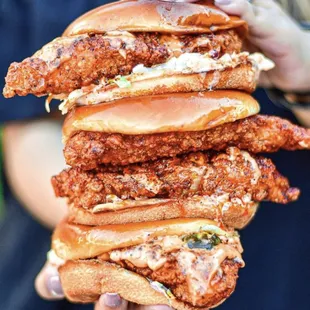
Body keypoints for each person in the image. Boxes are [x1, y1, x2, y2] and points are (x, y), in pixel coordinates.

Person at [1, 1, 309, 310]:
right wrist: (114, 241)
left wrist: (304, 78)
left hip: (282, 267)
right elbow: (28, 132)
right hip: (52, 247)